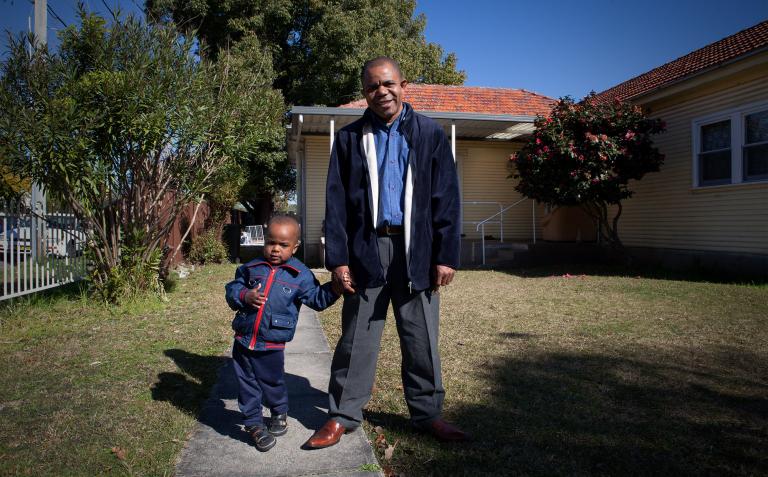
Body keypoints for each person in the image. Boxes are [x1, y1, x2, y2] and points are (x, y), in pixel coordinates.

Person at [304, 56, 469, 449]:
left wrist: (446, 254)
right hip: (366, 250)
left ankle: (428, 415)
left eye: (388, 84)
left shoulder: (429, 134)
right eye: (372, 86)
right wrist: (339, 259)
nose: (382, 92)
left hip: (418, 252)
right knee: (357, 336)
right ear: (364, 93)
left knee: (421, 337)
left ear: (403, 85)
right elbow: (337, 204)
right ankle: (342, 415)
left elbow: (446, 199)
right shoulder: (348, 139)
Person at [225, 215, 340, 451]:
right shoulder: (251, 268)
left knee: (272, 382)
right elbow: (233, 288)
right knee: (247, 383)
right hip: (243, 340)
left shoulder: (300, 275)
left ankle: (279, 411)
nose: (275, 249)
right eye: (271, 242)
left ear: (295, 247)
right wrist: (244, 296)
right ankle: (254, 424)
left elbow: (317, 299)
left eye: (283, 245)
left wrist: (335, 288)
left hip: (272, 343)